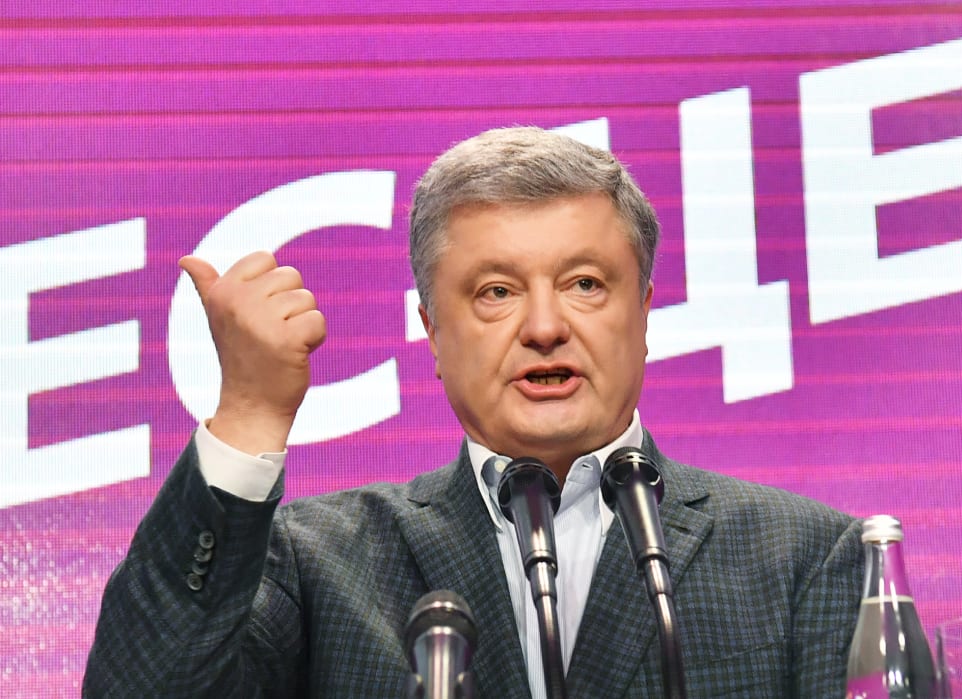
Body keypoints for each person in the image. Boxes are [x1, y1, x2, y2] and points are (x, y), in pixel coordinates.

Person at [84, 127, 863, 697]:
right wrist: (248, 415)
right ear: (431, 329)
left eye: (587, 283)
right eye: (495, 292)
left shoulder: (805, 556)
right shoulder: (320, 564)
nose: (546, 325)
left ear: (645, 309)